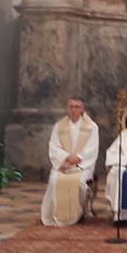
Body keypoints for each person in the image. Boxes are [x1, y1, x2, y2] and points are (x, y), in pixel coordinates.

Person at [41, 96, 99, 227]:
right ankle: (57, 215)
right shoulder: (59, 126)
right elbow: (54, 147)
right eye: (71, 106)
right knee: (55, 180)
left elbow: (91, 149)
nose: (73, 110)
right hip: (63, 165)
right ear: (67, 108)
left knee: (79, 183)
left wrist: (75, 161)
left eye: (77, 107)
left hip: (82, 165)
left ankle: (77, 214)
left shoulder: (91, 127)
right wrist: (66, 158)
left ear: (82, 109)